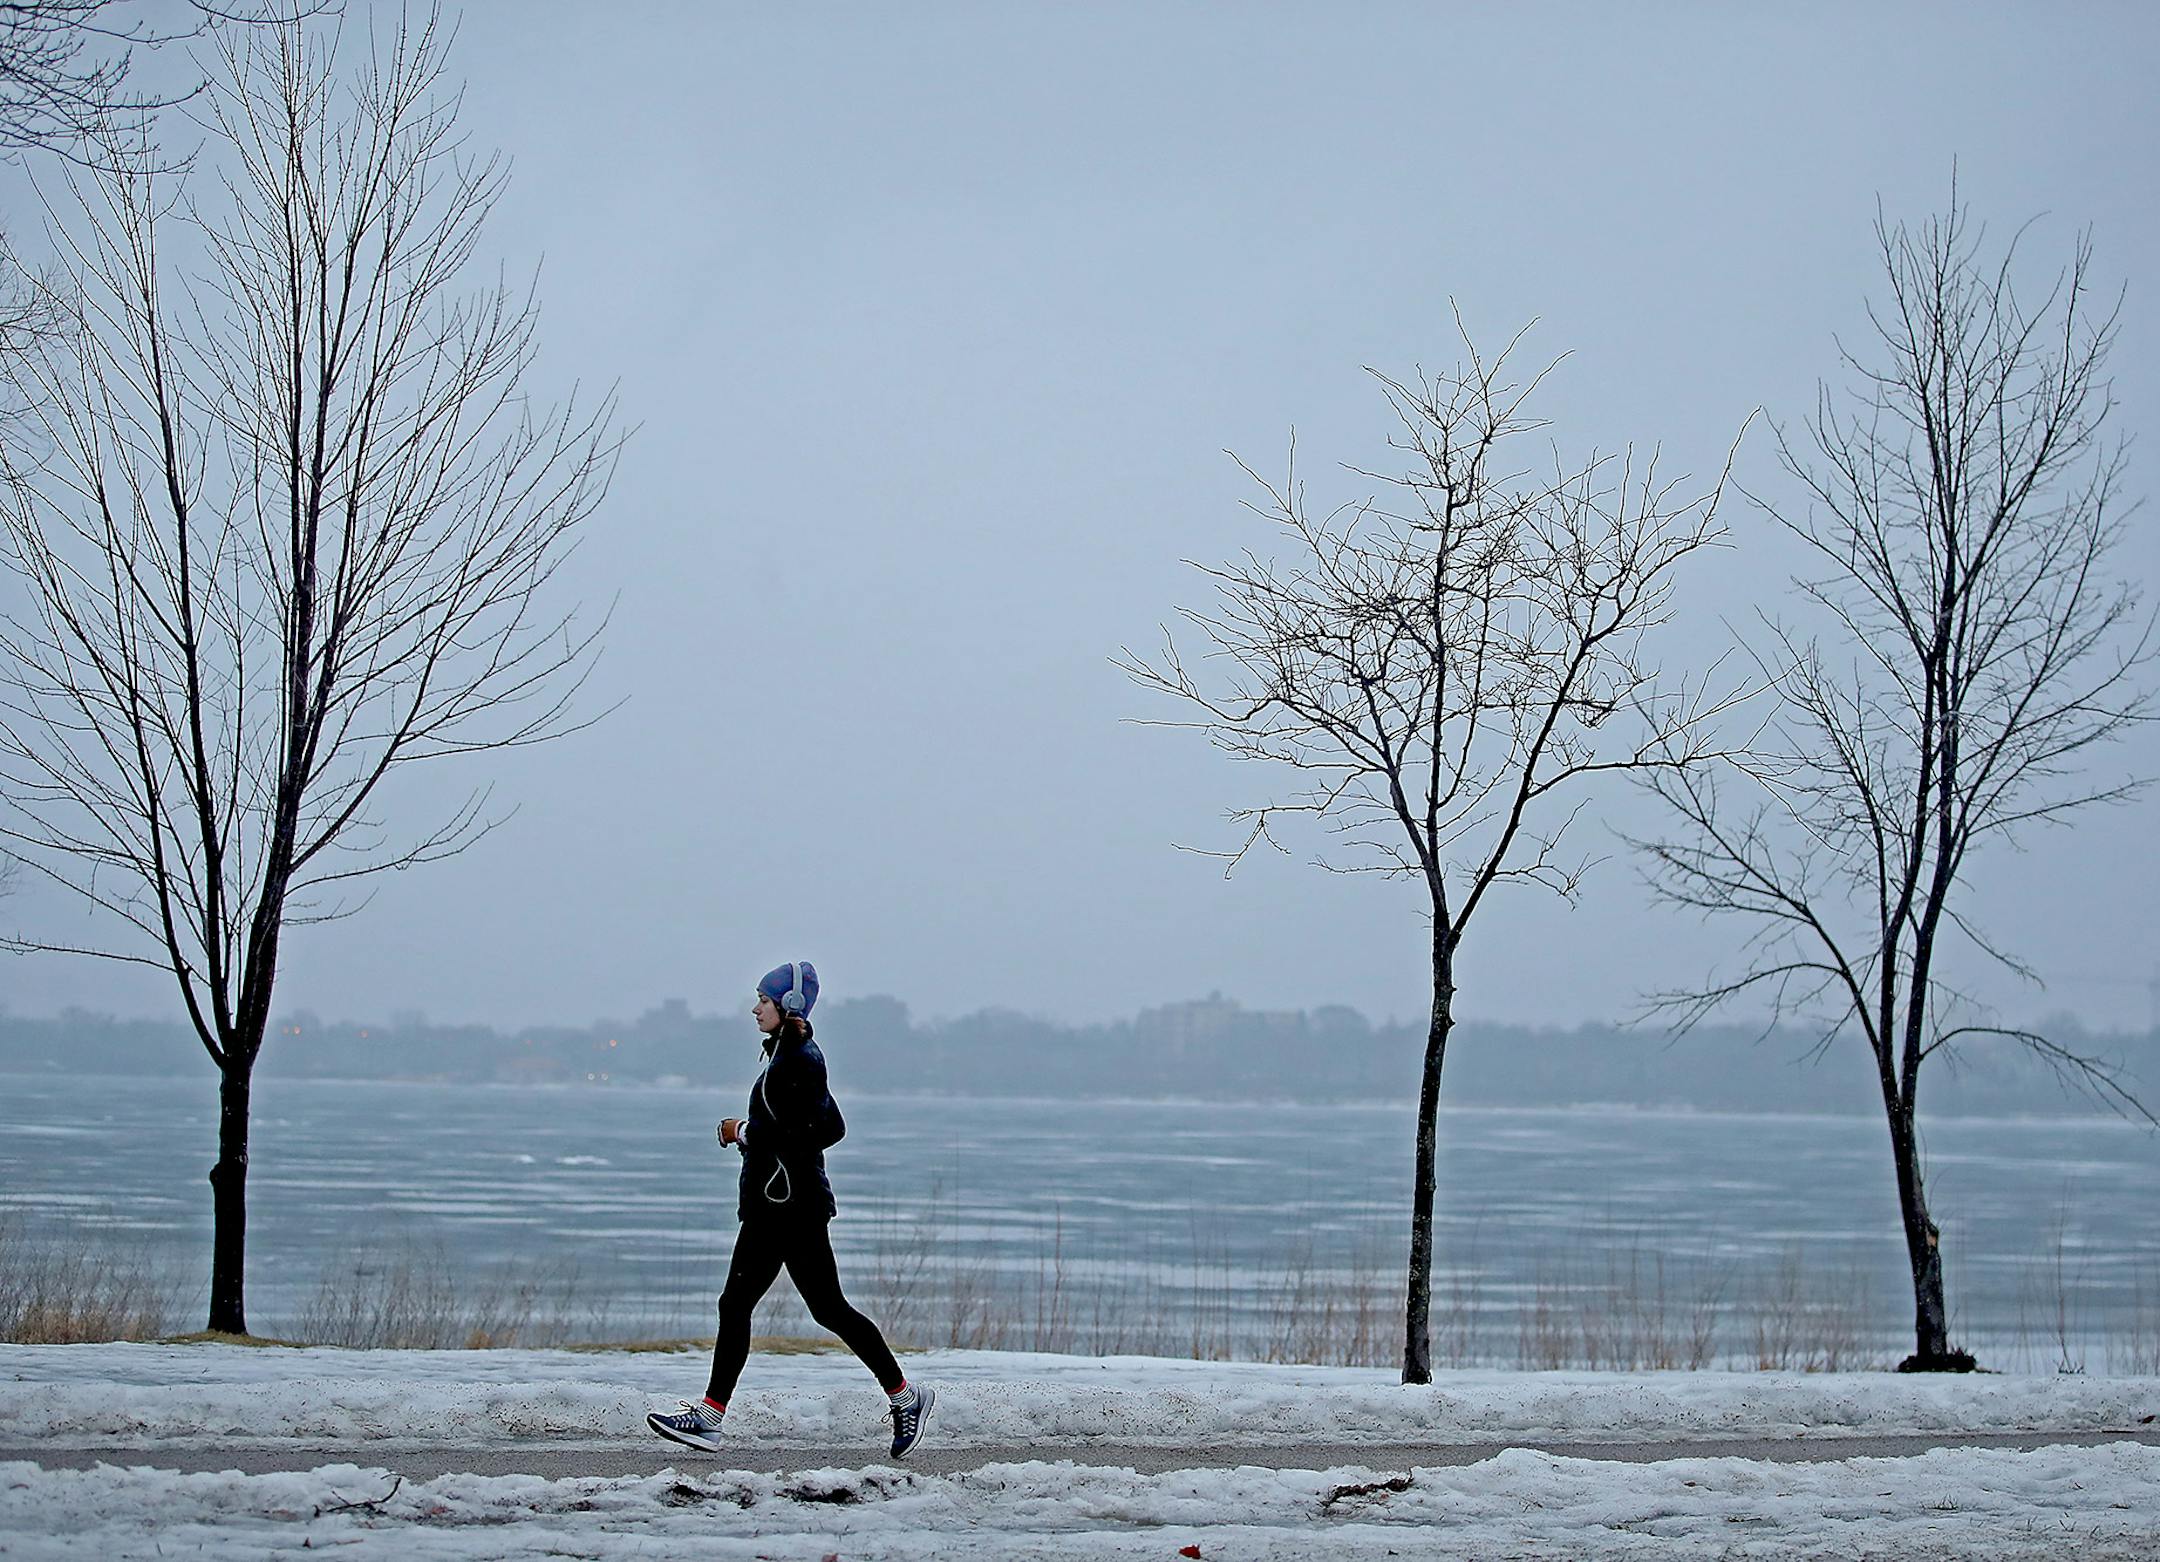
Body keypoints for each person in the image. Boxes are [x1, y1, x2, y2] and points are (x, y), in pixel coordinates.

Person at [647, 960, 933, 1458]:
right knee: (808, 1309)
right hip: (781, 1206)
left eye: (763, 999)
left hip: (788, 1209)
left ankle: (712, 1418)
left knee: (786, 1308)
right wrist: (762, 1140)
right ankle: (713, 1417)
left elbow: (807, 1134)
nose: (755, 1008)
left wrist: (744, 1132)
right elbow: (830, 1127)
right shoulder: (791, 1055)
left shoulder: (797, 1060)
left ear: (788, 1005)